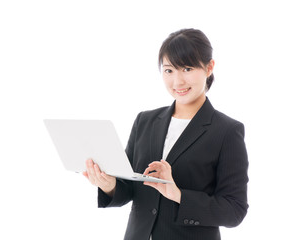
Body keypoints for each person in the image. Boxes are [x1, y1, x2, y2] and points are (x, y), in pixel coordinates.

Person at [83, 28, 249, 240]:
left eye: (187, 69)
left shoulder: (227, 131)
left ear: (209, 68)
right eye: (169, 70)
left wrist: (178, 195)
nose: (177, 82)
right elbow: (129, 187)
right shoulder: (145, 121)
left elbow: (234, 210)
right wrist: (109, 185)